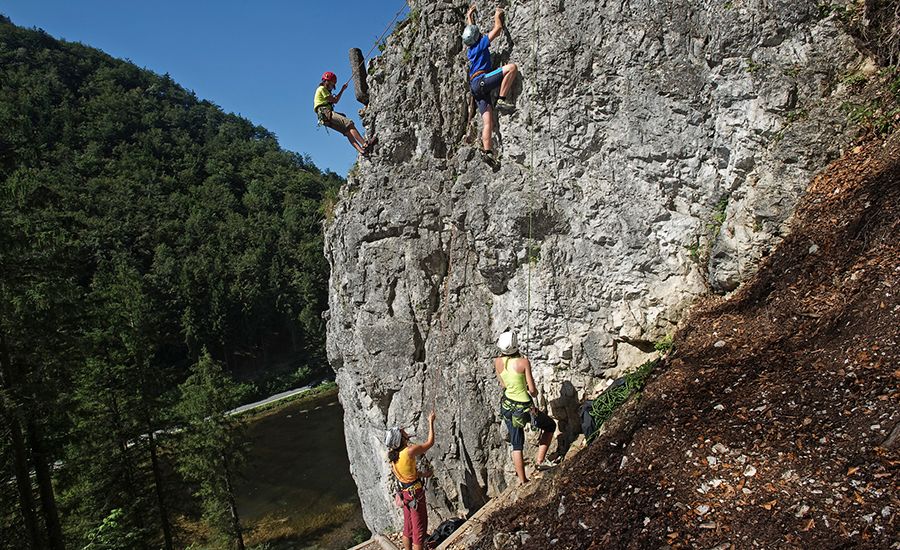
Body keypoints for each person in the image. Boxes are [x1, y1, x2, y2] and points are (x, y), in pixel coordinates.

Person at [494, 331, 556, 483]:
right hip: (524, 407)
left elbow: (502, 384)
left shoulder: (497, 361)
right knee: (550, 426)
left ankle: (523, 480)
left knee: (517, 444)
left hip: (507, 405)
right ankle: (540, 461)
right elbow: (533, 391)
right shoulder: (523, 362)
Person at [463, 3, 518, 159]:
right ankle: (501, 99)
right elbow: (498, 29)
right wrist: (497, 15)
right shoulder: (481, 43)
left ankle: (488, 153)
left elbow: (472, 32)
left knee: (488, 121)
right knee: (512, 68)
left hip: (476, 88)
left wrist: (469, 16)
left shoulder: (471, 49)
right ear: (478, 37)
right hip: (481, 80)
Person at [385, 411, 436, 550]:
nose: (404, 431)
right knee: (419, 530)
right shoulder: (409, 451)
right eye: (402, 432)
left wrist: (424, 474)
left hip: (405, 494)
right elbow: (430, 443)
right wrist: (431, 422)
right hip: (415, 494)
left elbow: (408, 474)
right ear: (401, 438)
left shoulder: (393, 457)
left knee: (408, 528)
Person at [313, 71, 376, 155]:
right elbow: (335, 101)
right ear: (327, 82)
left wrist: (342, 90)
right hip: (325, 112)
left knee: (347, 131)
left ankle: (362, 151)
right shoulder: (322, 89)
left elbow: (335, 100)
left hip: (323, 118)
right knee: (349, 123)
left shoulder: (324, 91)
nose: (332, 87)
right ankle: (365, 144)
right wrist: (342, 90)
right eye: (332, 85)